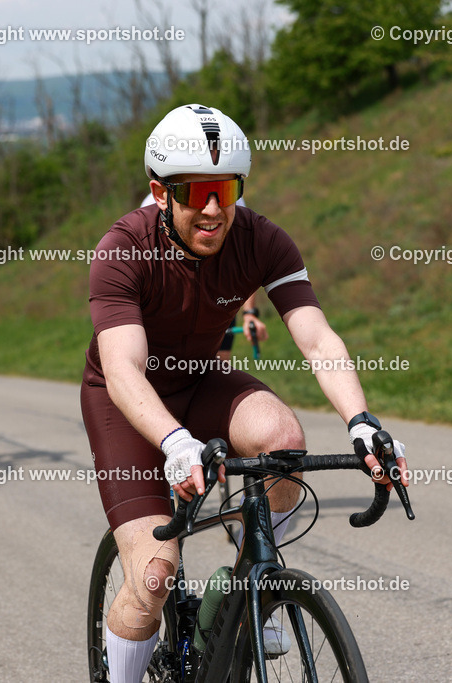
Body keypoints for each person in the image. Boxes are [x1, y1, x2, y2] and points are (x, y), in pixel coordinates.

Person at [82, 103, 408, 683]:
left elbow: (316, 337)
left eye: (227, 189)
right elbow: (124, 367)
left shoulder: (261, 239)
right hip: (125, 401)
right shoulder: (122, 248)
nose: (213, 209)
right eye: (196, 191)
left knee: (282, 439)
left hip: (202, 380)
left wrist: (362, 422)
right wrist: (176, 442)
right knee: (154, 575)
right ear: (160, 192)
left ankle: (247, 589)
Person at [141, 192, 267, 361]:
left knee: (217, 373)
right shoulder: (151, 205)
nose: (212, 210)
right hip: (171, 300)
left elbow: (244, 260)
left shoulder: (233, 198)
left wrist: (249, 313)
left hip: (217, 296)